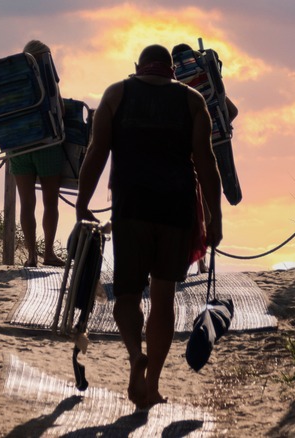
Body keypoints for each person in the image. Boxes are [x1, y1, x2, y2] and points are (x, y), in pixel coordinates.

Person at [75, 44, 223, 409]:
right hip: (176, 209)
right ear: (171, 71)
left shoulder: (117, 94)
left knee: (125, 296)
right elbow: (206, 163)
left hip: (132, 206)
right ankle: (152, 386)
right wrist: (215, 216)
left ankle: (134, 356)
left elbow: (96, 152)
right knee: (163, 297)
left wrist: (81, 203)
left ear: (138, 67)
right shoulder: (192, 101)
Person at [171, 43, 239, 273]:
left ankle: (192, 255)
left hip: (185, 149)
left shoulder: (176, 85)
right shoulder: (206, 80)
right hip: (213, 142)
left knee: (192, 199)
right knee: (209, 196)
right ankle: (205, 256)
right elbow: (232, 111)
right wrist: (221, 126)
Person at [10, 40, 65, 268]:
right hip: (47, 147)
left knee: (26, 204)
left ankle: (32, 256)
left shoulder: (13, 81)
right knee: (50, 202)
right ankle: (49, 253)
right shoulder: (48, 80)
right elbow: (59, 110)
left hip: (19, 149)